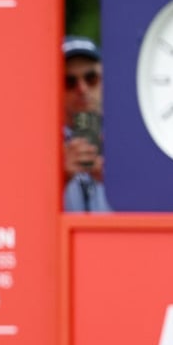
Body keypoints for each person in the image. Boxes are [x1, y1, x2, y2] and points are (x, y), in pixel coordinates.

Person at [62, 34, 111, 212]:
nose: (82, 89)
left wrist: (121, 185)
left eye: (91, 79)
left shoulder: (129, 142)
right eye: (69, 81)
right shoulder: (40, 148)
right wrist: (58, 178)